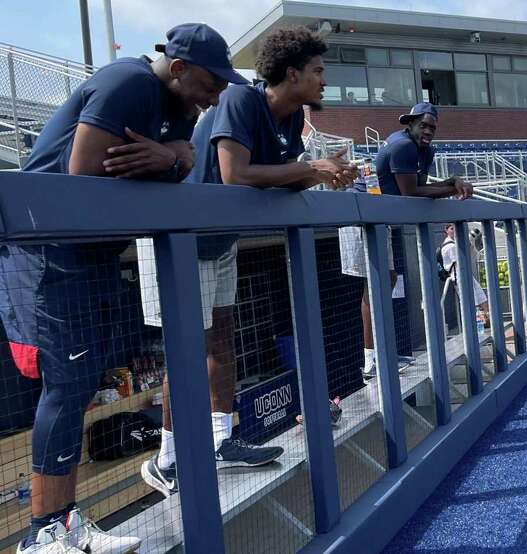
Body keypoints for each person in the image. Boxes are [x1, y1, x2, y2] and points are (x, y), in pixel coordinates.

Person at [0, 22, 242, 554]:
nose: (216, 95)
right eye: (210, 82)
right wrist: (170, 158)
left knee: (82, 382)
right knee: (66, 387)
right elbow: (85, 174)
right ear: (178, 69)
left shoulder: (181, 107)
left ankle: (64, 524)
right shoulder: (127, 81)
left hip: (91, 257)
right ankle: (42, 534)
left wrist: (174, 157)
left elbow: (183, 163)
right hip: (47, 254)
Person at [138, 25, 357, 499]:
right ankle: (167, 458)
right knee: (189, 351)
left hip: (221, 241)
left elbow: (284, 181)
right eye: (318, 71)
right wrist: (309, 168)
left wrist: (323, 175)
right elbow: (236, 174)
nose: (324, 80)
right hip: (179, 240)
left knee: (223, 340)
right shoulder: (240, 98)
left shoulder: (293, 117)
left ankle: (221, 440)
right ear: (293, 72)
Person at [344, 102, 474, 380]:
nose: (428, 131)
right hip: (360, 214)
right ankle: (370, 362)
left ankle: (377, 356)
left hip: (380, 216)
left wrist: (453, 180)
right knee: (376, 282)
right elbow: (411, 193)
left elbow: (423, 186)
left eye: (432, 127)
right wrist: (452, 187)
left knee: (386, 280)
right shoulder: (402, 145)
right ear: (411, 124)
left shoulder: (425, 150)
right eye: (423, 125)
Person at [440, 224, 490, 327]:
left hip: (467, 274)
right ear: (446, 230)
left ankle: (487, 323)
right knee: (471, 303)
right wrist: (467, 244)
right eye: (452, 229)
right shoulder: (449, 246)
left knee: (482, 298)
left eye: (455, 228)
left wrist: (471, 243)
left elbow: (471, 257)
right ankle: (475, 327)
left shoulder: (456, 243)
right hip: (459, 277)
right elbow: (460, 260)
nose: (454, 231)